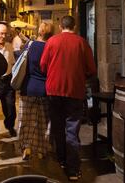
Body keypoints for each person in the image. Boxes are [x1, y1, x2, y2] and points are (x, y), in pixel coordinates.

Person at [40, 16, 97, 181]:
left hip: (53, 91)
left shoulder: (51, 42)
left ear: (60, 26)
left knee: (57, 128)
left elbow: (43, 66)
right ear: (75, 26)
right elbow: (91, 69)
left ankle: (62, 161)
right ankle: (73, 170)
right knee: (72, 130)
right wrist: (79, 75)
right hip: (74, 91)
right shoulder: (81, 43)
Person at [18, 22, 54, 161]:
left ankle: (26, 148)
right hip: (45, 89)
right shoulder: (50, 48)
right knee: (43, 122)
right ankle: (41, 150)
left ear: (39, 32)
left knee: (26, 120)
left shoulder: (30, 45)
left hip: (28, 87)